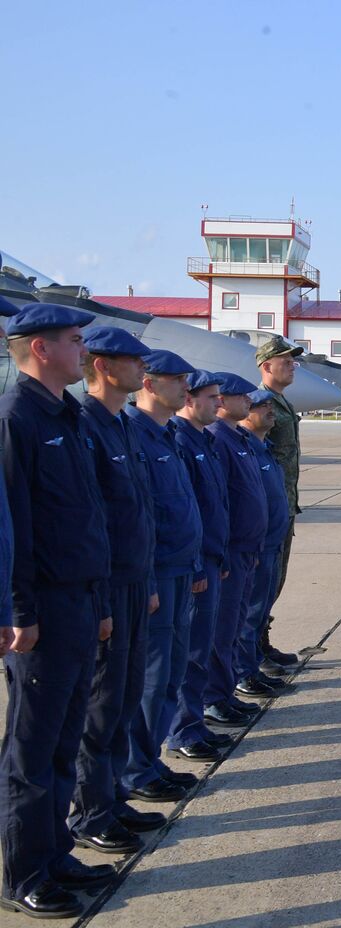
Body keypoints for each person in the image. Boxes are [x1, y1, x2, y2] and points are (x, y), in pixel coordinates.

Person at [0, 304, 116, 919]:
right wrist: (19, 611)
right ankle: (24, 874)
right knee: (32, 749)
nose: (83, 350)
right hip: (41, 609)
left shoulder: (67, 416)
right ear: (41, 349)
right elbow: (13, 523)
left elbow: (87, 516)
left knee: (64, 739)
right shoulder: (17, 418)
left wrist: (98, 603)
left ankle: (55, 853)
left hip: (78, 600)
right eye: (75, 342)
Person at [69, 328, 164, 857]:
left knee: (125, 698)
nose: (140, 370)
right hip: (107, 587)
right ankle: (91, 811)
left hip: (134, 582)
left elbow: (138, 513)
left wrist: (145, 581)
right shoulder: (87, 426)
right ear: (104, 366)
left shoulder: (122, 427)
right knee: (101, 705)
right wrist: (103, 600)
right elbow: (94, 522)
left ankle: (114, 795)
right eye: (133, 361)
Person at [121, 350, 203, 806]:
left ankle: (148, 761)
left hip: (179, 568)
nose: (185, 390)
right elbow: (141, 517)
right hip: (156, 575)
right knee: (152, 678)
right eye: (177, 381)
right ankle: (136, 769)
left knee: (169, 672)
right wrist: (149, 579)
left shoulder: (166, 435)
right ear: (149, 384)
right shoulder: (135, 433)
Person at [166, 370, 235, 762]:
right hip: (195, 563)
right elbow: (184, 512)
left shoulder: (202, 441)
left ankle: (194, 723)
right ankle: (184, 730)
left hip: (210, 558)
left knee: (201, 646)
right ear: (190, 400)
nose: (218, 404)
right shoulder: (180, 440)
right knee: (190, 652)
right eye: (211, 398)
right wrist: (197, 563)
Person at [202, 374, 268, 728]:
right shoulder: (218, 439)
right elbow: (220, 503)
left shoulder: (236, 437)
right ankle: (214, 698)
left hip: (246, 549)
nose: (248, 402)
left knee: (233, 626)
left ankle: (224, 693)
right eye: (240, 396)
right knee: (220, 630)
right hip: (229, 552)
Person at [232, 390, 292, 701]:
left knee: (259, 610)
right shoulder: (242, 449)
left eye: (270, 404)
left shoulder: (263, 448)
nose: (269, 410)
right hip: (255, 549)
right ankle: (243, 673)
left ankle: (252, 667)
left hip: (270, 545)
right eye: (261, 405)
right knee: (248, 614)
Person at [255, 336, 304, 671]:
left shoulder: (282, 402)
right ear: (266, 366)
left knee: (276, 579)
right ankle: (253, 650)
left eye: (292, 361)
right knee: (263, 581)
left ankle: (261, 640)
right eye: (285, 360)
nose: (292, 366)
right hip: (270, 507)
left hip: (286, 504)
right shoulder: (261, 403)